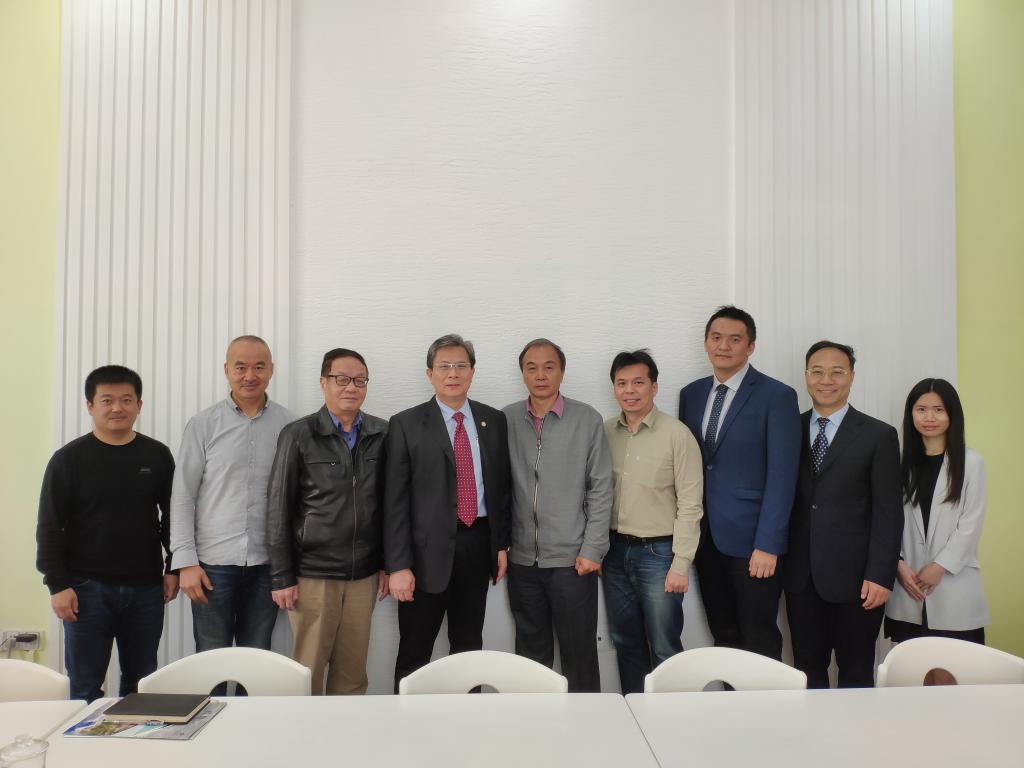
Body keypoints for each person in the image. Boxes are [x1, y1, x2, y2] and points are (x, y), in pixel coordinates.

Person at [36, 365, 177, 702]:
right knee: (84, 687)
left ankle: (136, 738)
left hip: (146, 589)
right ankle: (85, 739)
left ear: (139, 405)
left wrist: (174, 567)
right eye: (107, 400)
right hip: (86, 589)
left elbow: (174, 517)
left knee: (141, 686)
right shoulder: (68, 460)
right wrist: (58, 585)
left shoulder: (157, 455)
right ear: (90, 406)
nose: (117, 408)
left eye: (126, 400)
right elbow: (49, 526)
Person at [384, 334, 511, 692]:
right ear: (430, 373)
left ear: (472, 371)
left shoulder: (493, 420)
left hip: (477, 544)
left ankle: (466, 719)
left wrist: (500, 544)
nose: (452, 373)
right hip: (423, 554)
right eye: (444, 366)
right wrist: (398, 565)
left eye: (460, 366)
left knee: (469, 647)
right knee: (414, 650)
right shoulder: (406, 423)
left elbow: (501, 488)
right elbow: (394, 500)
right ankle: (407, 719)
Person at [678, 306, 801, 660]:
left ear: (751, 346)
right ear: (705, 343)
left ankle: (765, 700)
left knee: (758, 637)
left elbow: (783, 476)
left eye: (735, 339)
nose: (724, 346)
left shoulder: (777, 396)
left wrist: (768, 544)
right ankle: (731, 697)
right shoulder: (692, 394)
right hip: (706, 540)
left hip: (753, 543)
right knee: (724, 635)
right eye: (716, 338)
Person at [266, 348, 389, 695]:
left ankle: (346, 731)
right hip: (313, 574)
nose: (351, 387)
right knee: (308, 672)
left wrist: (388, 562)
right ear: (323, 382)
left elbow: (390, 506)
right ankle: (306, 731)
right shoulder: (298, 434)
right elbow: (278, 507)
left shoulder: (382, 433)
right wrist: (281, 576)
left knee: (353, 675)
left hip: (363, 574)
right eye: (342, 379)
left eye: (360, 380)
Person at [783, 341, 902, 688]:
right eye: (817, 372)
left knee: (856, 671)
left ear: (851, 376)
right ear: (806, 376)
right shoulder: (787, 428)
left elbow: (888, 512)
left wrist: (880, 575)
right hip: (801, 577)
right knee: (807, 670)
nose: (826, 380)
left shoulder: (878, 435)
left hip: (859, 581)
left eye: (837, 372)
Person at [169, 336, 295, 660]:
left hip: (267, 564)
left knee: (256, 658)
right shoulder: (203, 425)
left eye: (259, 367)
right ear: (226, 370)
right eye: (240, 367)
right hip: (212, 565)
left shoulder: (291, 426)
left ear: (271, 370)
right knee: (211, 659)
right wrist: (185, 562)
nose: (249, 375)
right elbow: (183, 496)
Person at [503, 338, 613, 692]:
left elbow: (601, 488)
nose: (540, 375)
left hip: (572, 561)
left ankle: (585, 721)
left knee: (579, 654)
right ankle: (534, 723)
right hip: (523, 562)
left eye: (549, 367)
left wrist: (592, 550)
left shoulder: (587, 419)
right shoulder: (505, 419)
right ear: (522, 374)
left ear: (562, 372)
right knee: (530, 657)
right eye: (532, 368)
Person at [604, 349, 703, 694]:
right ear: (614, 388)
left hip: (659, 555)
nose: (629, 390)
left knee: (664, 645)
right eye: (622, 383)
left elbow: (691, 504)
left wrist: (681, 563)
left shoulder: (677, 435)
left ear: (654, 387)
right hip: (614, 553)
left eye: (638, 382)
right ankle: (635, 709)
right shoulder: (605, 432)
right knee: (624, 641)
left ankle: (670, 717)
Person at [884, 378, 989, 644]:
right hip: (908, 583)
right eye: (921, 409)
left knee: (957, 665)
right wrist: (897, 563)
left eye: (938, 410)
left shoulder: (971, 463)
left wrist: (940, 566)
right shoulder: (898, 463)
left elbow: (971, 523)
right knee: (911, 664)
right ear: (911, 414)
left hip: (953, 583)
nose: (929, 417)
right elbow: (886, 519)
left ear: (952, 414)